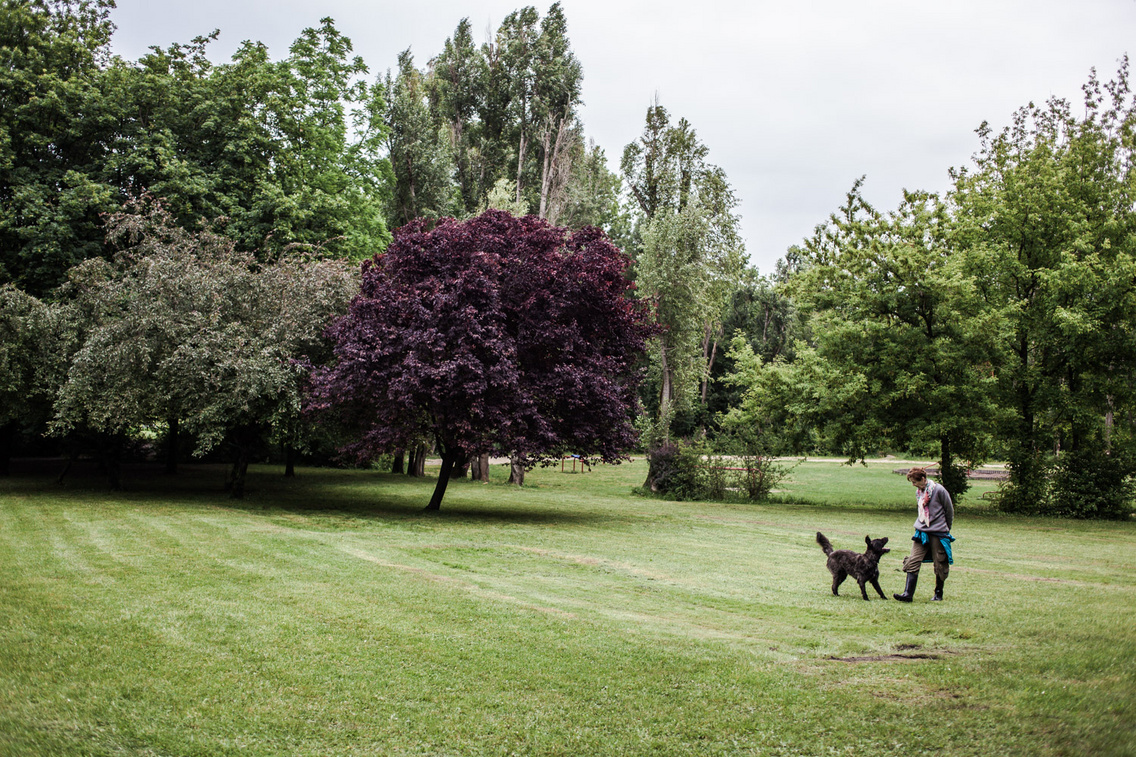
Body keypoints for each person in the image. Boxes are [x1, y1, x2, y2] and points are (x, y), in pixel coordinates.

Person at [894, 466, 955, 602]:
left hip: (938, 532)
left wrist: (946, 529)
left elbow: (949, 511)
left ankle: (938, 594)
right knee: (913, 560)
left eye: (914, 482)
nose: (913, 485)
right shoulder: (919, 492)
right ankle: (907, 594)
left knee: (940, 562)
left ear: (923, 478)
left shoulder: (939, 490)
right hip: (921, 531)